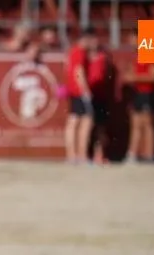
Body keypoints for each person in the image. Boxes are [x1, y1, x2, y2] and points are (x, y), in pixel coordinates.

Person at [123, 33, 154, 163]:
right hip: (137, 94)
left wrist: (134, 77)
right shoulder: (137, 56)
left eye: (133, 39)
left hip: (147, 93)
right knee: (136, 124)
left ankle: (150, 154)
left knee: (147, 124)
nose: (131, 42)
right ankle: (132, 154)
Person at [63, 28, 97, 164]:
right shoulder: (80, 52)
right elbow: (79, 71)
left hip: (74, 91)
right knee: (84, 122)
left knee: (75, 121)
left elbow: (68, 69)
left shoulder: (73, 51)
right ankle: (80, 155)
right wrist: (85, 90)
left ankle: (74, 155)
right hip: (79, 91)